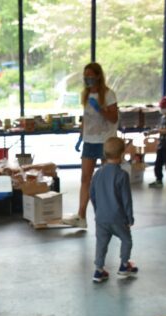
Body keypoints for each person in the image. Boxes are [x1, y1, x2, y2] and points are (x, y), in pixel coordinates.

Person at [63, 62, 119, 229]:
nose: (87, 79)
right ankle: (81, 216)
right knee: (85, 178)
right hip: (90, 141)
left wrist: (101, 109)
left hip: (105, 141)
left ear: (98, 76)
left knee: (105, 180)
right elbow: (86, 117)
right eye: (85, 76)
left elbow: (114, 118)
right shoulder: (86, 95)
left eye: (90, 76)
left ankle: (110, 215)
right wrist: (81, 136)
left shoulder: (109, 95)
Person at [90, 137, 138, 283]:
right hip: (118, 218)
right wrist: (129, 218)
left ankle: (99, 270)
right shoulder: (122, 175)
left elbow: (92, 195)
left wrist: (98, 211)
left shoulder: (97, 174)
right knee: (126, 239)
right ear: (122, 154)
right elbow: (126, 200)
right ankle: (124, 265)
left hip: (101, 218)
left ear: (104, 154)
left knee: (101, 243)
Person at [146, 96, 166, 189]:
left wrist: (158, 131)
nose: (162, 110)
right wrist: (152, 131)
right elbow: (160, 129)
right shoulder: (162, 118)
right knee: (157, 164)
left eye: (164, 108)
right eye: (162, 107)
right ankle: (158, 180)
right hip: (161, 145)